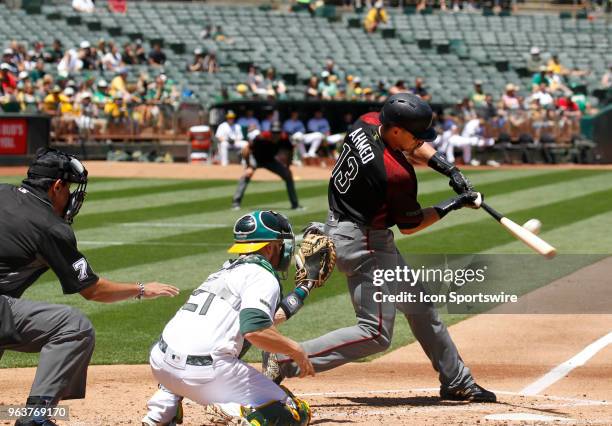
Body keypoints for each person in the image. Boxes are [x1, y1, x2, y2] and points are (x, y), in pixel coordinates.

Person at [263, 93, 497, 403]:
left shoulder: (368, 122)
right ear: (397, 131)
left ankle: (456, 380)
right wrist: (454, 204)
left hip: (349, 228)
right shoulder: (395, 173)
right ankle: (284, 360)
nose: (421, 142)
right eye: (416, 136)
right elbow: (411, 225)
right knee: (374, 333)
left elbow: (416, 146)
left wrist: (448, 169)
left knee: (420, 306)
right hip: (364, 245)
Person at [0, 149, 179, 426]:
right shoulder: (49, 226)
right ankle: (36, 418)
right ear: (56, 186)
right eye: (68, 187)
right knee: (73, 327)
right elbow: (92, 290)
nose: (70, 195)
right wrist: (142, 288)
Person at [142, 211, 315, 426]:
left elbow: (265, 320)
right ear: (270, 248)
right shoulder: (262, 276)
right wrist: (294, 349)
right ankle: (233, 409)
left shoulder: (224, 271)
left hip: (161, 364)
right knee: (295, 413)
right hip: (204, 374)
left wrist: (304, 290)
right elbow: (255, 330)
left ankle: (160, 412)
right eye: (281, 244)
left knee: (197, 343)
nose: (285, 249)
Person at [231, 122, 301, 210]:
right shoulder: (261, 137)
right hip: (256, 159)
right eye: (274, 133)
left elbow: (290, 151)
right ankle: (236, 203)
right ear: (270, 132)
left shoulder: (284, 138)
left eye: (278, 133)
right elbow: (246, 150)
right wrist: (249, 166)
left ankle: (295, 204)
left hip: (270, 160)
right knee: (247, 174)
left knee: (288, 175)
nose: (276, 135)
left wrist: (287, 166)